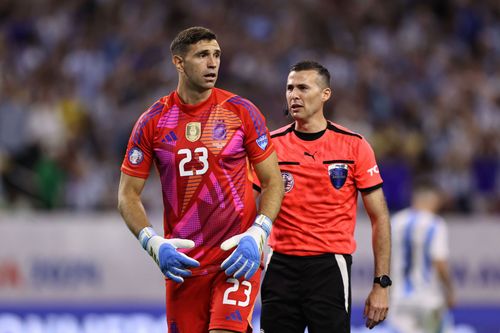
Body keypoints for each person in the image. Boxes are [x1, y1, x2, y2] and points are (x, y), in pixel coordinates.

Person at [117, 26, 284, 333]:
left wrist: (258, 233)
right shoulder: (152, 122)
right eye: (202, 55)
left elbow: (273, 181)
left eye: (217, 55)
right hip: (184, 266)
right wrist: (152, 242)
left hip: (235, 259)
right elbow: (127, 194)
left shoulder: (241, 113)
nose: (213, 63)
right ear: (178, 63)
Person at [256, 60, 392, 333]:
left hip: (329, 267)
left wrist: (381, 284)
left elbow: (380, 217)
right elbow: (246, 202)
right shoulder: (270, 146)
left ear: (325, 94)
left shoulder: (354, 145)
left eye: (303, 88)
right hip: (280, 264)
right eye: (290, 88)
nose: (294, 95)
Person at [387, 180, 455, 333]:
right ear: (432, 199)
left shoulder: (396, 222)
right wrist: (450, 290)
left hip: (399, 298)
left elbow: (385, 259)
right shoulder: (435, 224)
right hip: (429, 298)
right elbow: (440, 262)